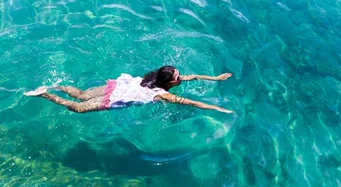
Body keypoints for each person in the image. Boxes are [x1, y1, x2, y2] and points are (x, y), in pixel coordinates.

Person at [24, 65, 234, 114]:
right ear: (169, 83)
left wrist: (216, 78)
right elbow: (191, 103)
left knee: (81, 94)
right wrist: (217, 109)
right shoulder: (163, 94)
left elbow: (194, 76)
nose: (182, 77)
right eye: (179, 77)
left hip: (119, 86)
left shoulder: (155, 77)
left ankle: (54, 85)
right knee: (78, 108)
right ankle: (45, 94)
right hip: (118, 98)